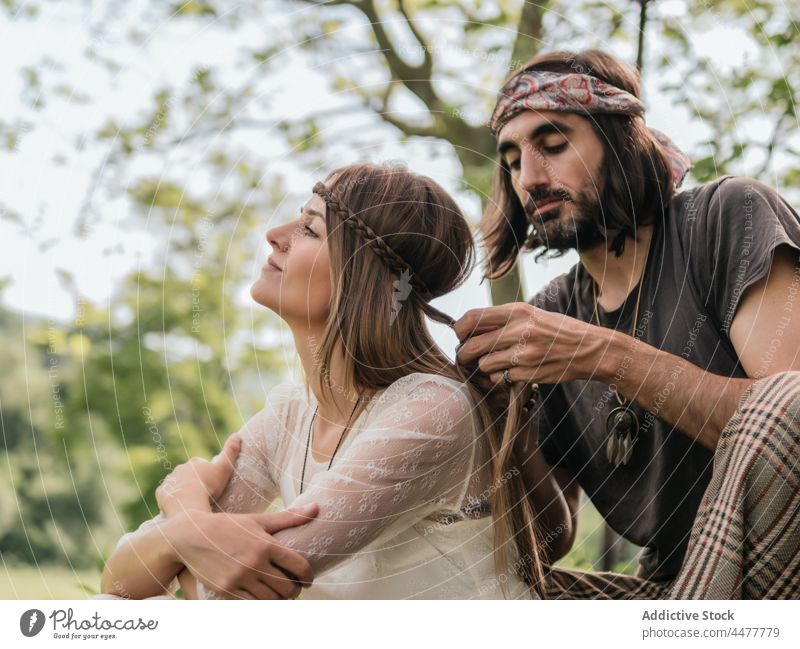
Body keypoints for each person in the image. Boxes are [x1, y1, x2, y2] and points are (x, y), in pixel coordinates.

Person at [100, 162, 555, 600]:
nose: (275, 236)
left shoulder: (432, 410)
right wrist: (191, 533)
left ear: (369, 279)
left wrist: (183, 510)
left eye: (311, 230)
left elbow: (227, 590)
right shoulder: (292, 412)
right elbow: (119, 583)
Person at [454, 49, 800, 599]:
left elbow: (789, 421)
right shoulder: (552, 315)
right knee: (476, 599)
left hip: (779, 565)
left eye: (552, 145)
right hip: (670, 589)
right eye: (513, 159)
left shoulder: (726, 218)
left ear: (620, 141)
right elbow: (548, 539)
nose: (529, 178)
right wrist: (505, 424)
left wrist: (605, 356)